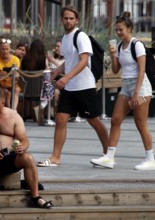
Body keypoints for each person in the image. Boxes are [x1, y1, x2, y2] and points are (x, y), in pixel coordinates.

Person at [37, 6, 109, 167]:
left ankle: (108, 153)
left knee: (94, 120)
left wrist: (66, 77)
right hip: (70, 87)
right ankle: (56, 157)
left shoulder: (81, 36)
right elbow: (70, 62)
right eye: (65, 18)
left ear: (77, 20)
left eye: (71, 18)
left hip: (84, 86)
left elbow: (84, 61)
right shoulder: (64, 38)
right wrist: (57, 71)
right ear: (61, 20)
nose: (68, 21)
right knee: (61, 118)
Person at [90, 12, 155, 170]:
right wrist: (113, 55)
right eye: (117, 30)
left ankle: (150, 159)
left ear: (129, 29)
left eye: (121, 30)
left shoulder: (137, 45)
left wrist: (136, 93)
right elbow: (115, 69)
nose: (118, 33)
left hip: (140, 87)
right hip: (126, 85)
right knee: (115, 119)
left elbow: (142, 70)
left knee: (140, 123)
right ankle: (109, 157)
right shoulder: (120, 46)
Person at [0, 87, 53, 209]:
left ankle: (35, 196)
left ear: (2, 103)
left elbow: (24, 139)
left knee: (28, 157)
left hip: (9, 156)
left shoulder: (14, 116)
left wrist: (22, 147)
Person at [0, 38, 21, 110]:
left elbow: (18, 74)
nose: (5, 51)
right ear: (0, 49)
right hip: (0, 85)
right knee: (7, 93)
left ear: (10, 49)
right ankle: (10, 110)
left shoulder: (15, 59)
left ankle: (14, 110)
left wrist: (12, 74)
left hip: (12, 84)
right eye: (3, 49)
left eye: (7, 49)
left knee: (17, 90)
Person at [21, 38, 48, 125]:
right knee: (51, 88)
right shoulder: (43, 59)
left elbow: (20, 71)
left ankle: (36, 109)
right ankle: (42, 107)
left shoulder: (25, 58)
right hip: (40, 89)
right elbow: (47, 74)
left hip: (26, 89)